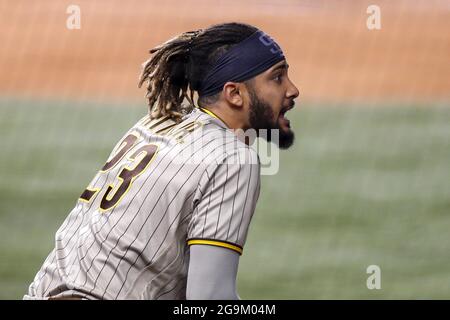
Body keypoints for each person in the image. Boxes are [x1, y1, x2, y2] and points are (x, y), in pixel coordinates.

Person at [24, 22, 299, 300]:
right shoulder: (234, 159)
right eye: (277, 78)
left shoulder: (158, 122)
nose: (293, 90)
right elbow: (210, 298)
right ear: (234, 94)